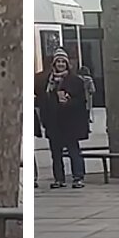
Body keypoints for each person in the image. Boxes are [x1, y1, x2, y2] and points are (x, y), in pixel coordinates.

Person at [36, 48, 89, 189]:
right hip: (53, 123)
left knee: (73, 151)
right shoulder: (48, 81)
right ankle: (59, 178)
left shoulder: (75, 81)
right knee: (56, 153)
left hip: (70, 122)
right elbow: (42, 100)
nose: (60, 64)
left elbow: (82, 101)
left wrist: (68, 102)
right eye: (58, 61)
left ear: (67, 64)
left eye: (63, 62)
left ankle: (78, 177)